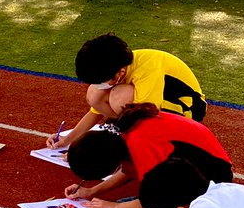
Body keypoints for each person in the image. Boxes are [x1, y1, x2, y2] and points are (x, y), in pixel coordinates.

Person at [65, 104, 233, 208]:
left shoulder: (140, 143)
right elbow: (128, 170)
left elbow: (157, 192)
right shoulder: (122, 134)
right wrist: (91, 191)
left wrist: (116, 207)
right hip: (199, 168)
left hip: (214, 177)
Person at [49, 34, 205, 149]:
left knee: (120, 97)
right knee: (94, 94)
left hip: (188, 111)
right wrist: (67, 140)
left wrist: (109, 152)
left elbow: (148, 117)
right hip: (155, 106)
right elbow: (95, 112)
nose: (101, 84)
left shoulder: (147, 70)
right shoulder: (117, 64)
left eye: (102, 80)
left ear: (120, 73)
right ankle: (123, 132)